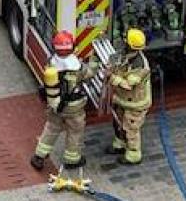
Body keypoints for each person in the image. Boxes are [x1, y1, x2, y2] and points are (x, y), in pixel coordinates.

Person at [30, 31, 96, 170]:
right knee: (74, 132)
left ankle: (39, 156)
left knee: (51, 129)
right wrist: (94, 61)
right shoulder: (77, 66)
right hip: (74, 108)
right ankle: (72, 159)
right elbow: (89, 73)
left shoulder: (51, 62)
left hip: (56, 105)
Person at [107, 28, 152, 166]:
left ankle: (133, 154)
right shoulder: (128, 55)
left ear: (129, 44)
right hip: (123, 100)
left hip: (135, 104)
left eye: (125, 39)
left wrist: (111, 77)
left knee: (131, 128)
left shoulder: (140, 67)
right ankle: (120, 143)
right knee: (119, 122)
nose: (123, 40)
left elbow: (128, 85)